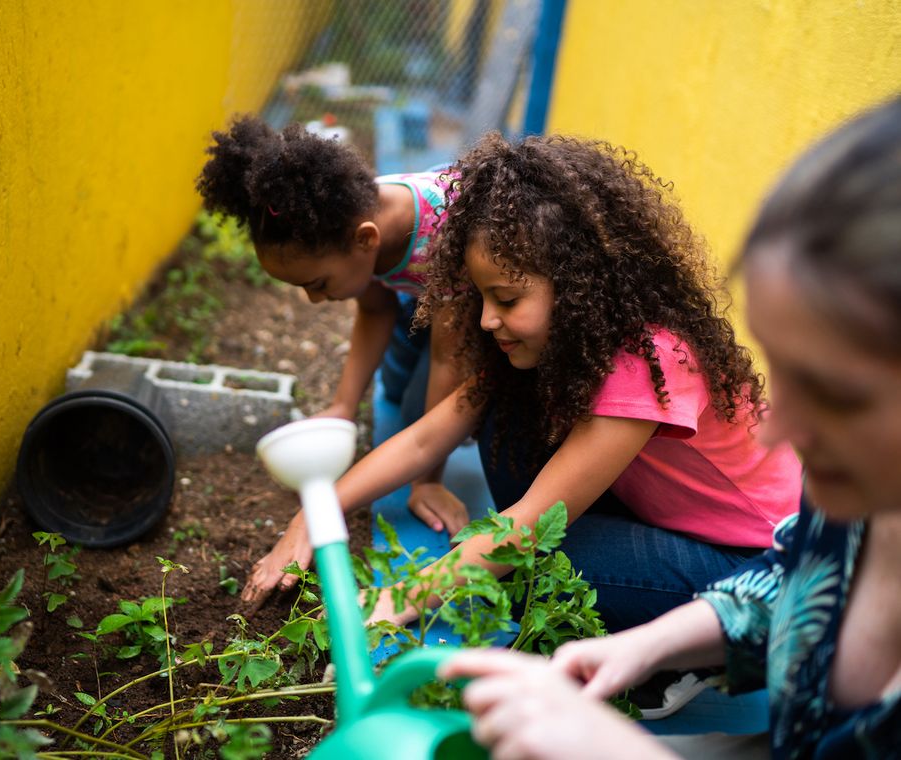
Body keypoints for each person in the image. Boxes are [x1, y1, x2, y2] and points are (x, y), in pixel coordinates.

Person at [439, 95, 901, 759]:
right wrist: (642, 645)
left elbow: (525, 527)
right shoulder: (854, 514)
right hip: (717, 552)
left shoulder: (648, 357)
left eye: (834, 393)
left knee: (541, 550)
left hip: (721, 545)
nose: (779, 434)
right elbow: (786, 580)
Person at [289, 131, 802, 632]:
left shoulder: (647, 362)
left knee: (527, 563)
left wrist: (403, 597)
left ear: (580, 284)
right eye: (482, 297)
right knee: (503, 430)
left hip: (757, 565)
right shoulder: (565, 340)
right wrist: (319, 510)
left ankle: (691, 659)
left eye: (507, 300)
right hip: (674, 524)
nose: (488, 319)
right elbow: (429, 435)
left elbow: (526, 527)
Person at [196, 115, 468, 605]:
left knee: (417, 415)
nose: (315, 301)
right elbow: (376, 302)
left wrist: (427, 481)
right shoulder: (358, 221)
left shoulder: (445, 239)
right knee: (401, 384)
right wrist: (343, 406)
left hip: (466, 307)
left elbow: (451, 359)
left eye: (317, 284)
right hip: (424, 298)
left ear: (366, 241)